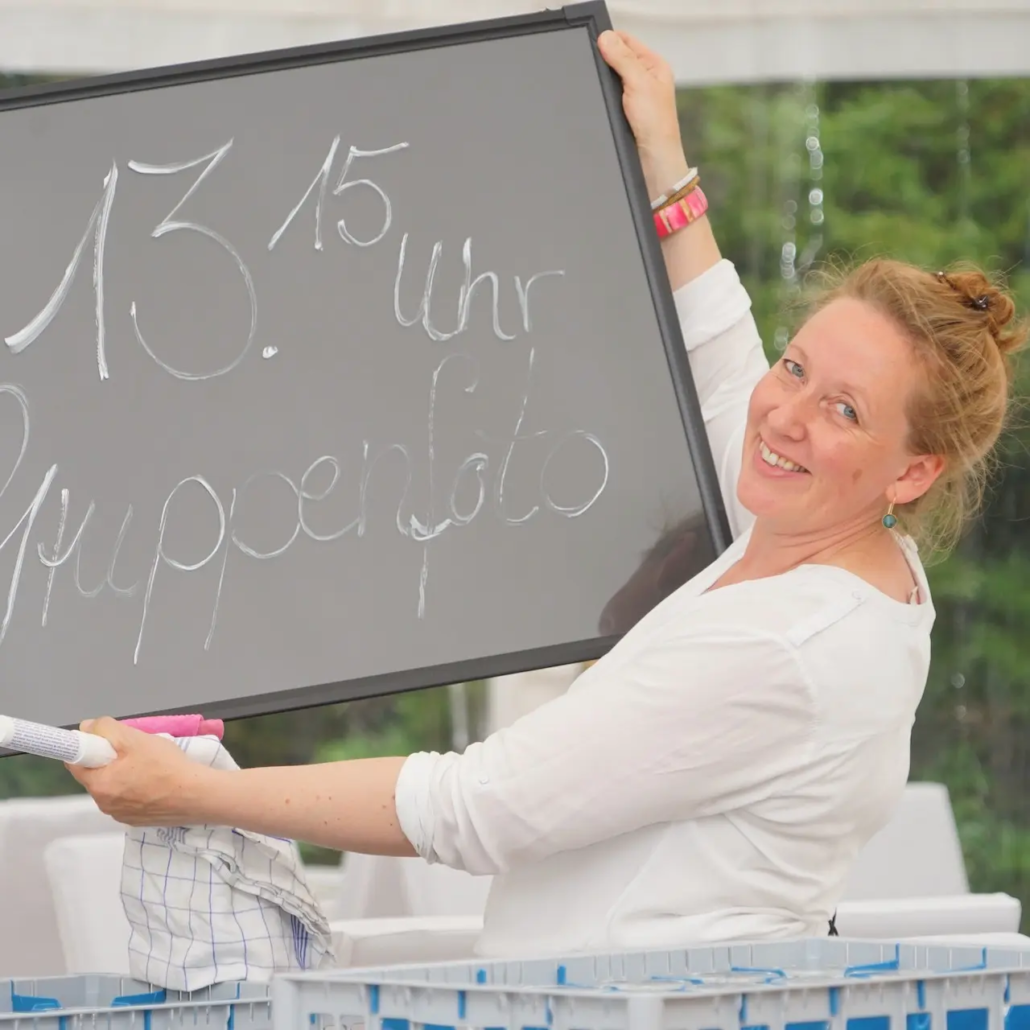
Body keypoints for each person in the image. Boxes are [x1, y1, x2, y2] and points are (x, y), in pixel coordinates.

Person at [68, 30, 1026, 957]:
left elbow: (482, 808)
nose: (787, 416)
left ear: (912, 471)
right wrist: (672, 175)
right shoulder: (833, 548)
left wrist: (193, 793)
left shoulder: (785, 645)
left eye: (846, 410)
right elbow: (732, 371)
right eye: (797, 364)